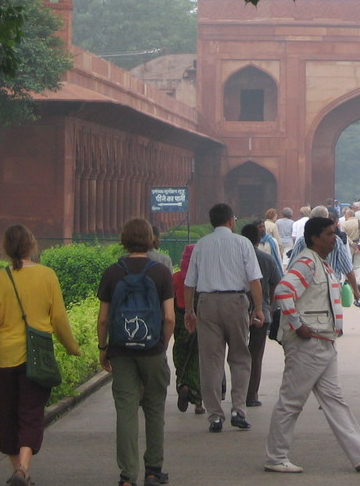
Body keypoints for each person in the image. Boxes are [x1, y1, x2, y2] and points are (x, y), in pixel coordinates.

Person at [264, 216, 360, 474]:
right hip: (308, 343)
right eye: (329, 234)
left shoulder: (319, 263)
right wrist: (297, 324)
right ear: (314, 238)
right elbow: (282, 291)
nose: (334, 238)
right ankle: (276, 456)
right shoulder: (306, 263)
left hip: (322, 341)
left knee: (334, 400)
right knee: (291, 401)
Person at [0, 224, 81, 486]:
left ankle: (19, 471)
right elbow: (60, 319)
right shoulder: (47, 276)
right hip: (36, 358)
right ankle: (23, 468)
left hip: (4, 360)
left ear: (6, 249)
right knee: (31, 413)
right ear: (32, 245)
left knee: (8, 416)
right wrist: (72, 347)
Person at [97, 218, 175, 486]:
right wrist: (162, 345)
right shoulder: (161, 273)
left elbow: (103, 319)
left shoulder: (112, 272)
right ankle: (153, 470)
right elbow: (169, 318)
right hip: (152, 349)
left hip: (121, 350)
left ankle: (127, 476)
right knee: (154, 408)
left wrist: (103, 348)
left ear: (124, 239)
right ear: (151, 239)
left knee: (126, 411)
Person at [183, 202, 264, 433]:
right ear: (231, 221)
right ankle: (238, 409)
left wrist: (189, 311)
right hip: (236, 302)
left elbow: (190, 282)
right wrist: (258, 308)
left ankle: (215, 416)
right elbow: (254, 280)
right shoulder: (242, 243)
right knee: (240, 357)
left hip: (207, 303)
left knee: (210, 361)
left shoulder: (201, 244)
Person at [241, 222, 282, 408]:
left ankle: (231, 391)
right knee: (255, 355)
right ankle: (251, 395)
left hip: (238, 310)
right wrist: (270, 304)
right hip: (262, 311)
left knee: (235, 353)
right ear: (259, 240)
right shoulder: (266, 259)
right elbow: (276, 284)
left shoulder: (236, 258)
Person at [172, 244, 205, 415]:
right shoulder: (203, 280)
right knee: (197, 360)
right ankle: (198, 400)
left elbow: (169, 304)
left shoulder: (176, 278)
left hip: (180, 324)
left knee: (181, 356)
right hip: (200, 322)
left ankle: (182, 384)